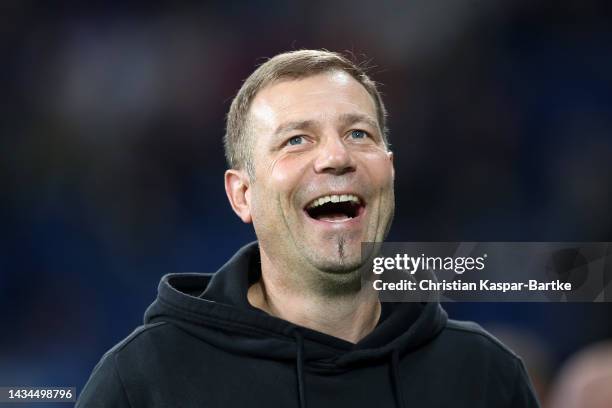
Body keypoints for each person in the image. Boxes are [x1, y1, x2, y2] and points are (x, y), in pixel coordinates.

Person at [77, 50, 539, 407]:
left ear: (390, 171)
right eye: (296, 140)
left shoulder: (484, 376)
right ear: (242, 195)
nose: (337, 157)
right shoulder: (142, 382)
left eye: (359, 134)